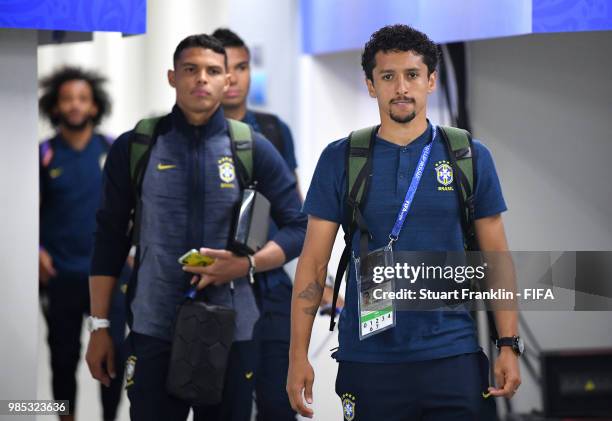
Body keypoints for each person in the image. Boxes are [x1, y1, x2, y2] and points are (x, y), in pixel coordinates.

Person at [287, 24, 522, 420]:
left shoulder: (467, 154)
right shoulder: (341, 158)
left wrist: (508, 345)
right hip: (369, 361)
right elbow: (313, 265)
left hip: (453, 355)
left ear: (430, 81)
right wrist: (297, 357)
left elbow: (496, 258)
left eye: (412, 75)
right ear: (370, 84)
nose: (401, 88)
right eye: (388, 76)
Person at [85, 34, 306, 421]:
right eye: (191, 69)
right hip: (153, 327)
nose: (201, 79)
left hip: (232, 330)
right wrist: (101, 325)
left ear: (226, 81)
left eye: (213, 71)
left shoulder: (249, 147)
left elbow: (300, 225)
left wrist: (247, 264)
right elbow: (108, 238)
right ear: (172, 77)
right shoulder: (137, 145)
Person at [212, 28, 343, 421]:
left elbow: (298, 217)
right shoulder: (191, 137)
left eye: (242, 67)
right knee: (223, 407)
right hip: (215, 292)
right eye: (222, 69)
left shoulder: (272, 131)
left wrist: (322, 283)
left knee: (277, 405)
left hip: (270, 288)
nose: (233, 78)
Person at [38, 66, 128, 421]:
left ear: (94, 106)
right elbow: (21, 210)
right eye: (67, 99)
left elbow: (134, 208)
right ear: (55, 106)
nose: (75, 106)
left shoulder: (113, 150)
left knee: (114, 356)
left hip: (110, 276)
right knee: (62, 357)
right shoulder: (43, 155)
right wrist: (35, 251)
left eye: (82, 99)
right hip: (60, 276)